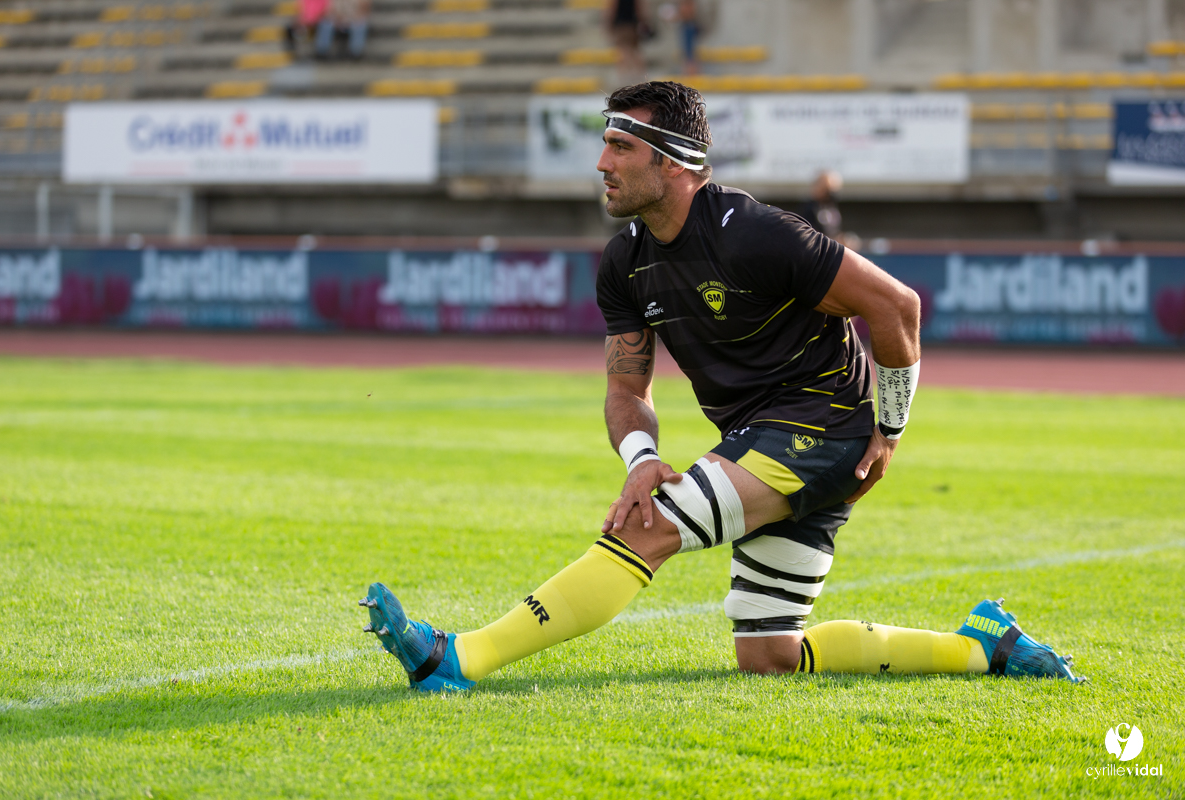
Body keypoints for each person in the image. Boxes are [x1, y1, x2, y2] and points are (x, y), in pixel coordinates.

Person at [361, 81, 1084, 692]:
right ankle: (984, 647)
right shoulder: (625, 263)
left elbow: (898, 306)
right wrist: (641, 459)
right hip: (764, 441)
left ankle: (457, 659)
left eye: (620, 147)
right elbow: (626, 388)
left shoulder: (755, 232)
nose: (601, 162)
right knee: (769, 656)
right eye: (605, 145)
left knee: (647, 530)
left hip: (824, 427)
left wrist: (889, 432)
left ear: (673, 163)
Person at [607, 0, 647, 81]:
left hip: (621, 26)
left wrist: (608, 25)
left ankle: (625, 78)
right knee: (635, 52)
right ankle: (640, 76)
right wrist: (643, 22)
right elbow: (640, 9)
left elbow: (611, 9)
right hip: (633, 25)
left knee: (624, 52)